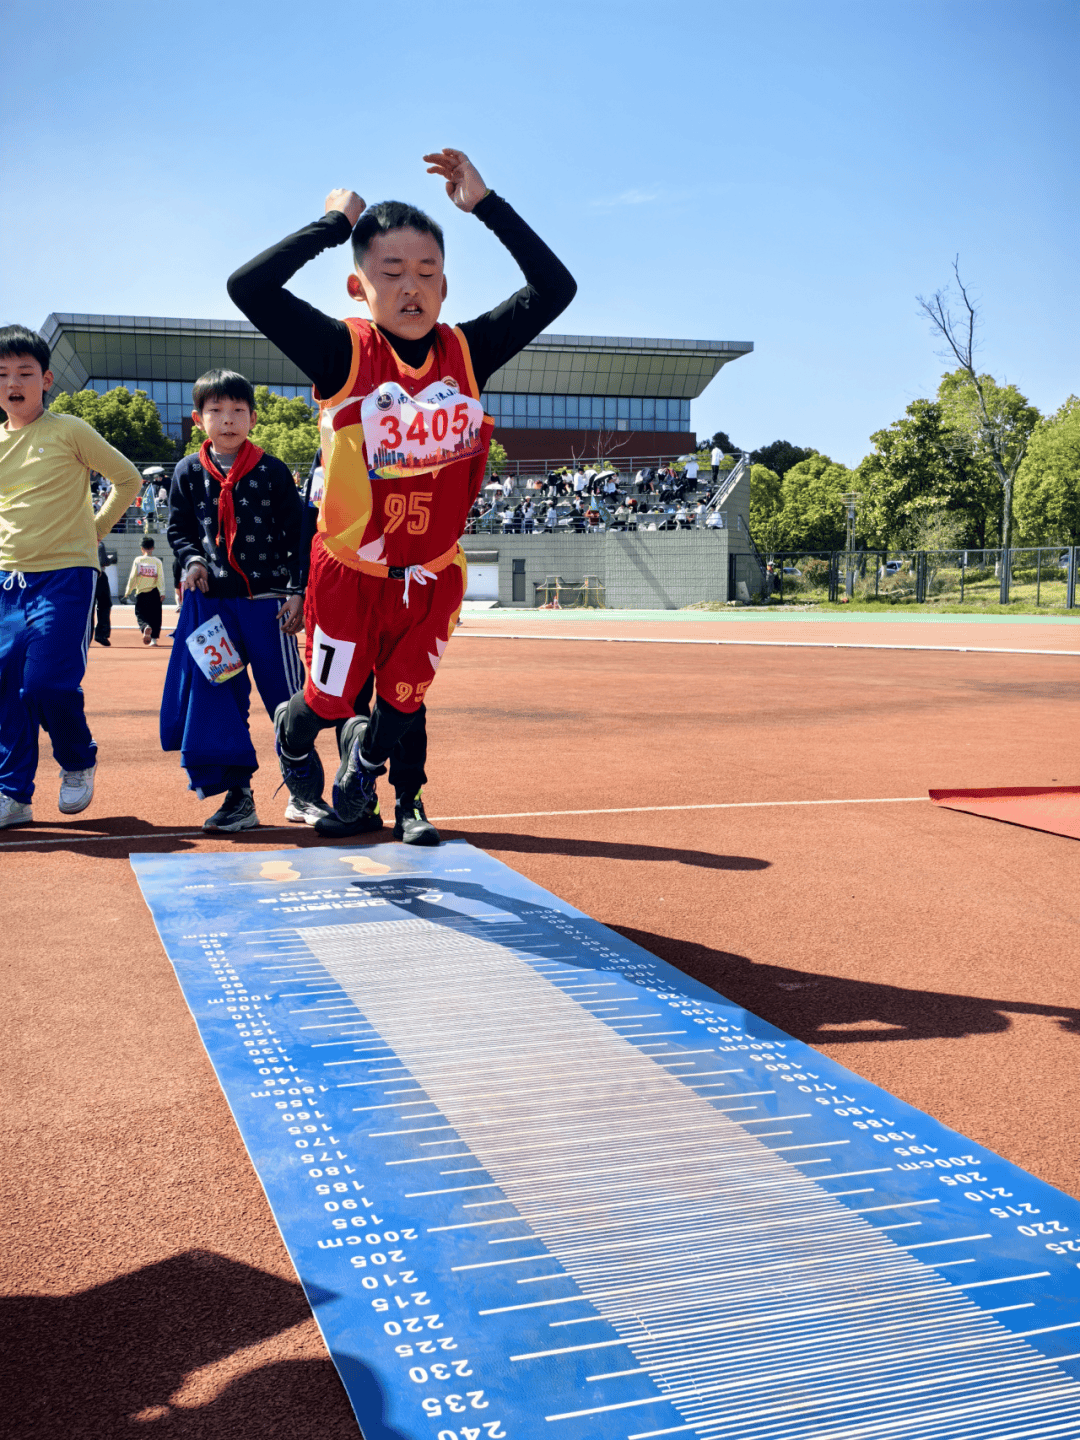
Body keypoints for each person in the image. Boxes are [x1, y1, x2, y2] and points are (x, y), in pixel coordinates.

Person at [227, 147, 576, 840]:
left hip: (430, 573)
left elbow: (554, 287)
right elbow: (250, 288)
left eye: (427, 272)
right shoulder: (341, 351)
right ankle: (294, 734)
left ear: (445, 286)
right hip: (350, 572)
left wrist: (487, 206)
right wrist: (333, 225)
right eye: (391, 273)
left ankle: (383, 781)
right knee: (329, 701)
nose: (411, 288)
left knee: (404, 698)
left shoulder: (468, 352)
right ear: (358, 286)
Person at [0, 324, 142, 828]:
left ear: (47, 380)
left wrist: (94, 532)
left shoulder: (69, 430)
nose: (12, 383)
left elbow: (127, 479)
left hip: (63, 578)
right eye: (2, 374)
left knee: (45, 685)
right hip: (6, 582)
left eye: (24, 373)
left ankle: (77, 759)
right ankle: (12, 794)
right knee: (6, 691)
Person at [162, 369, 306, 832]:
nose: (228, 419)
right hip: (213, 611)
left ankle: (303, 791)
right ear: (197, 419)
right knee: (222, 702)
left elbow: (298, 535)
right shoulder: (187, 472)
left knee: (287, 700)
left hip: (269, 606)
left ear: (253, 418)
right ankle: (239, 799)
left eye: (238, 410)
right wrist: (192, 561)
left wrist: (297, 591)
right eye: (216, 410)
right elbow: (179, 529)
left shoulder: (272, 470)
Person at [124, 536, 165, 644]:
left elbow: (132, 577)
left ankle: (145, 626)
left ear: (142, 548)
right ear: (153, 548)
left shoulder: (138, 560)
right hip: (154, 592)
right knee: (155, 616)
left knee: (140, 614)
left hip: (141, 593)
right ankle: (154, 639)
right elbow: (160, 578)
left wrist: (128, 591)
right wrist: (162, 592)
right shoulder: (157, 561)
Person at [93, 539, 113, 646]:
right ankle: (101, 633)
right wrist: (110, 559)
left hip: (82, 576)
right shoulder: (99, 543)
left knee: (86, 607)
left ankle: (82, 633)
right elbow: (104, 561)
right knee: (104, 605)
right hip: (99, 576)